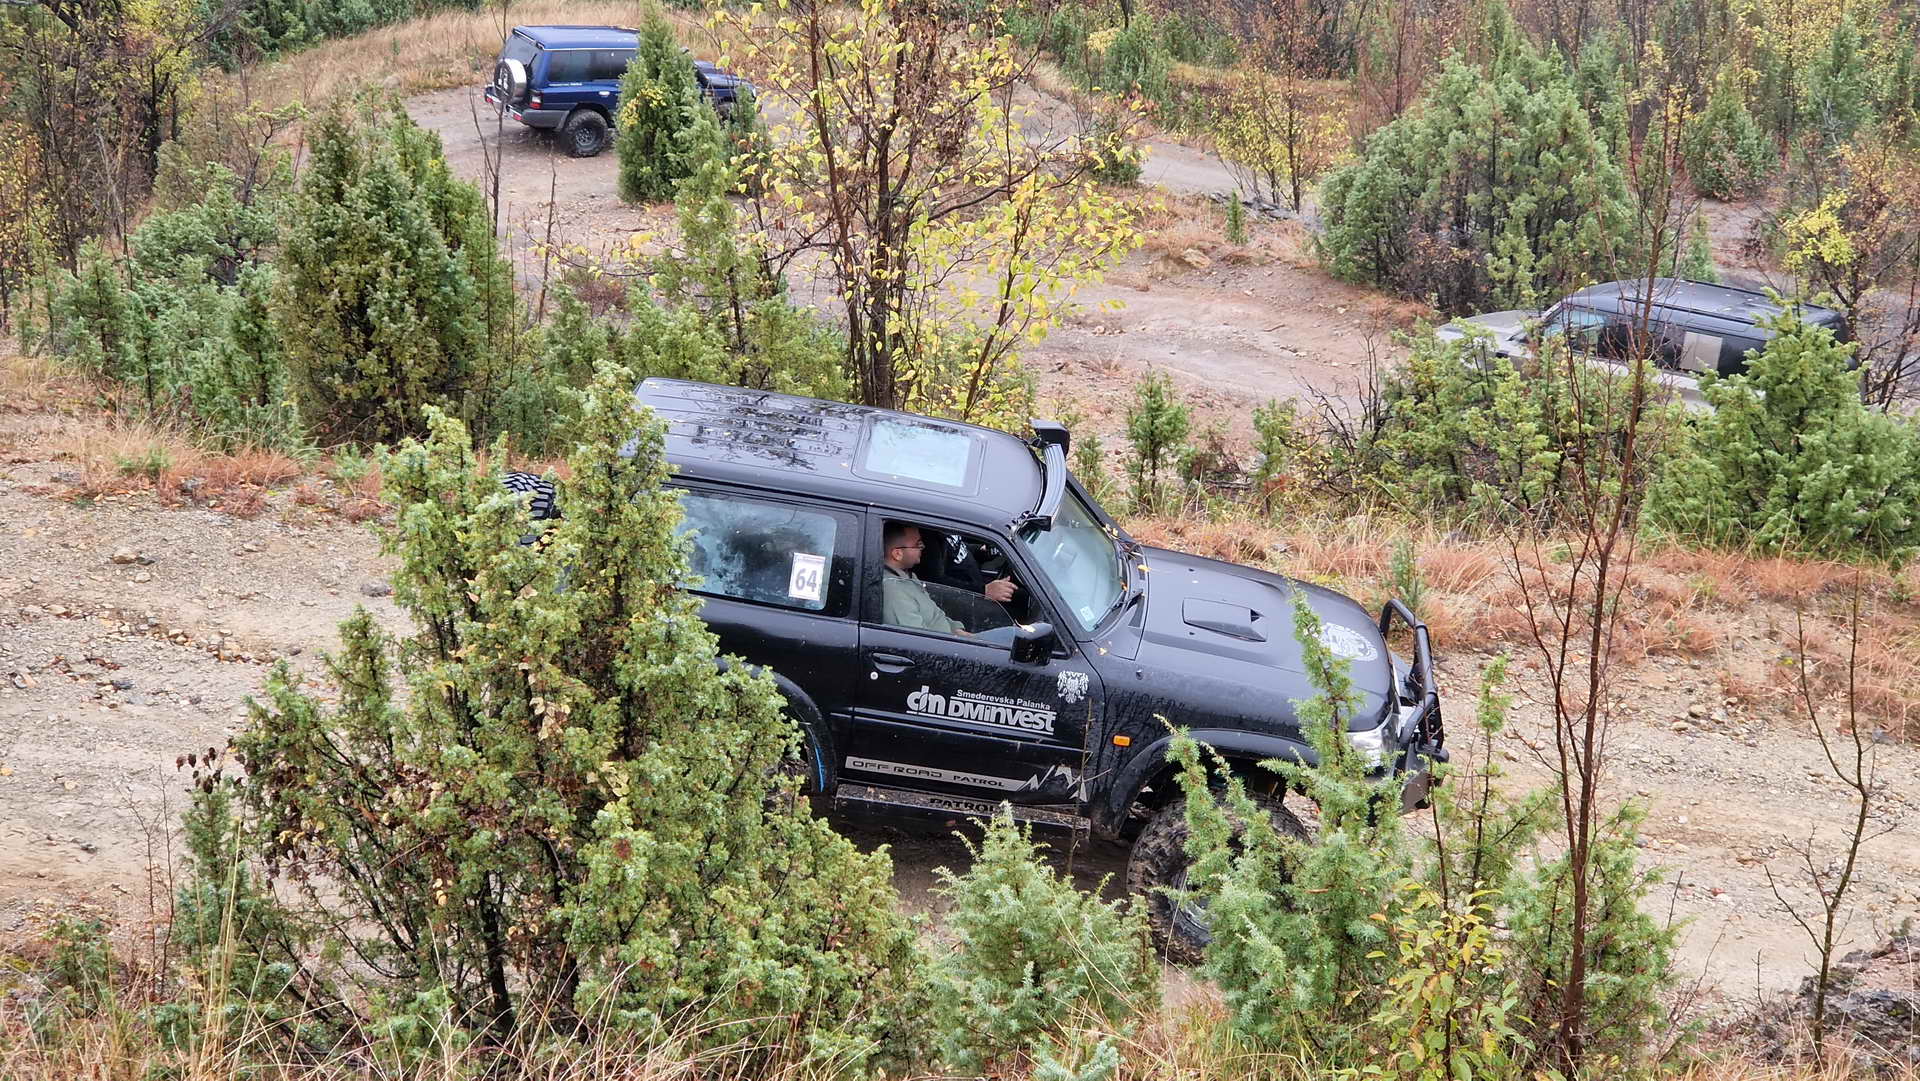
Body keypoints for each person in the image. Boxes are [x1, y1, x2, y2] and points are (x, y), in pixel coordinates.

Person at [881, 522, 1018, 636]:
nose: (923, 547)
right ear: (897, 554)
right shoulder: (894, 593)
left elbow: (937, 615)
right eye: (918, 544)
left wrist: (959, 632)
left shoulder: (909, 576)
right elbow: (919, 641)